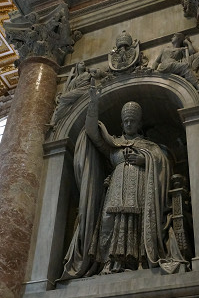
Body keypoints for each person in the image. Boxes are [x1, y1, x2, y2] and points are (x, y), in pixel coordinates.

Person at [61, 90, 185, 278]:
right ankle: (110, 263)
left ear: (139, 124)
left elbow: (163, 162)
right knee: (109, 222)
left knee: (136, 221)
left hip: (140, 190)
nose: (128, 124)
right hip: (115, 191)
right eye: (126, 121)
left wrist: (145, 160)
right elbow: (92, 133)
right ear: (121, 124)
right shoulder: (113, 144)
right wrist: (93, 105)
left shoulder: (149, 146)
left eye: (132, 121)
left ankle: (137, 261)